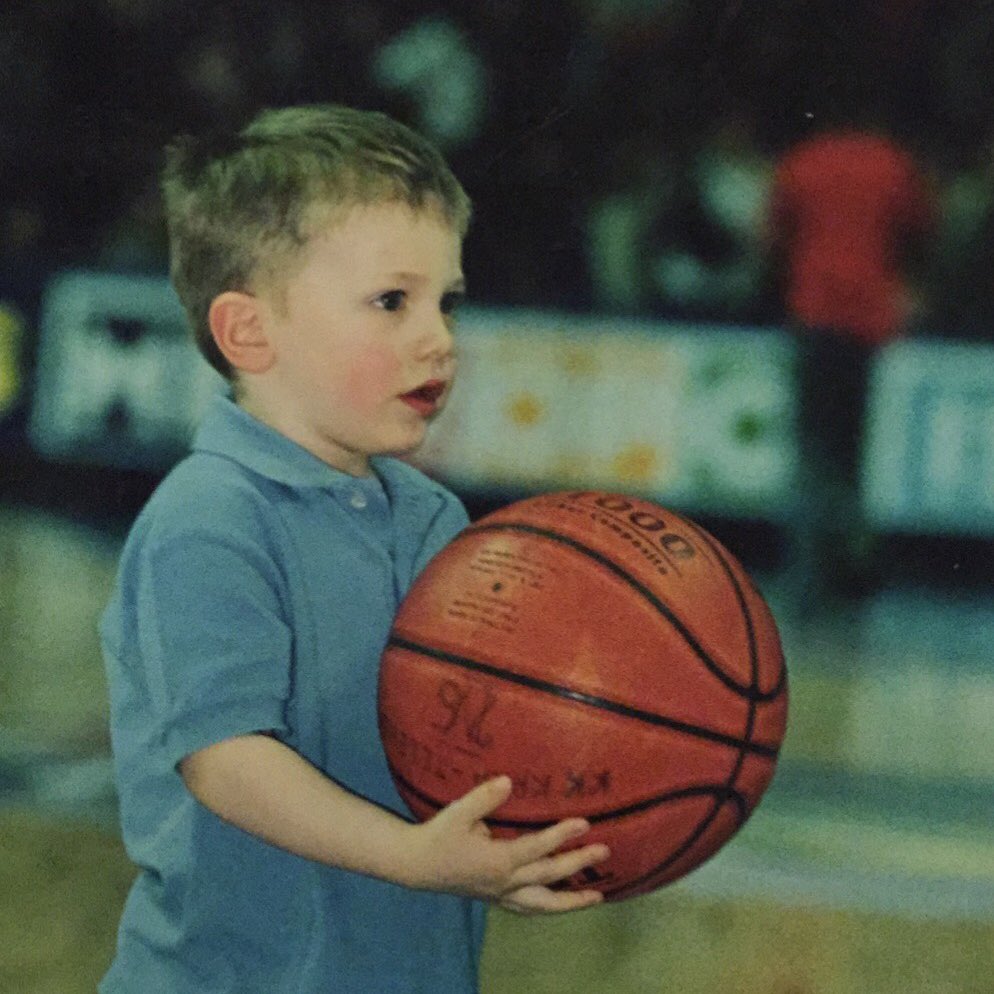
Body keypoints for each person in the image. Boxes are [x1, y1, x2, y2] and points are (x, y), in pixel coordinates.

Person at [98, 104, 610, 994]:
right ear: (249, 333)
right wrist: (416, 859)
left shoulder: (433, 521)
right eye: (391, 302)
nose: (438, 338)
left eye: (446, 301)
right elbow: (228, 761)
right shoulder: (210, 518)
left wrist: (507, 847)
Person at [767, 118, 934, 604]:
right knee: (853, 447)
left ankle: (811, 570)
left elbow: (773, 234)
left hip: (814, 311)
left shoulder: (803, 159)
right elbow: (922, 230)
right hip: (869, 319)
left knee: (813, 446)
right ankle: (851, 563)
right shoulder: (894, 163)